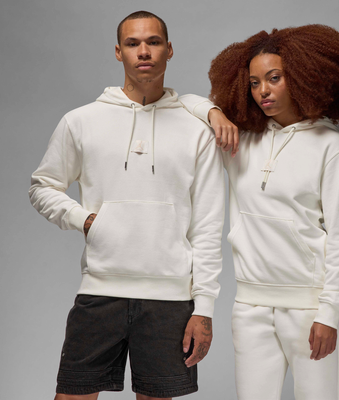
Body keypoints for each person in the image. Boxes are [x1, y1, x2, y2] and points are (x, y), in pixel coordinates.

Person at [29, 10, 227, 400]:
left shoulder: (196, 131)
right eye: (133, 43)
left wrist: (203, 308)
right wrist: (85, 219)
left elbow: (207, 226)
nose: (144, 52)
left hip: (171, 300)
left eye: (153, 42)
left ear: (169, 49)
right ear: (118, 52)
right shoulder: (81, 121)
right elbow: (42, 186)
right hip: (100, 290)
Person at [189, 25, 339, 400]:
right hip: (250, 306)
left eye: (274, 78)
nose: (262, 90)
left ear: (301, 77)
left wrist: (329, 313)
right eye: (253, 83)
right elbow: (182, 104)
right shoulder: (241, 140)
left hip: (310, 308)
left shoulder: (329, 145)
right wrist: (213, 111)